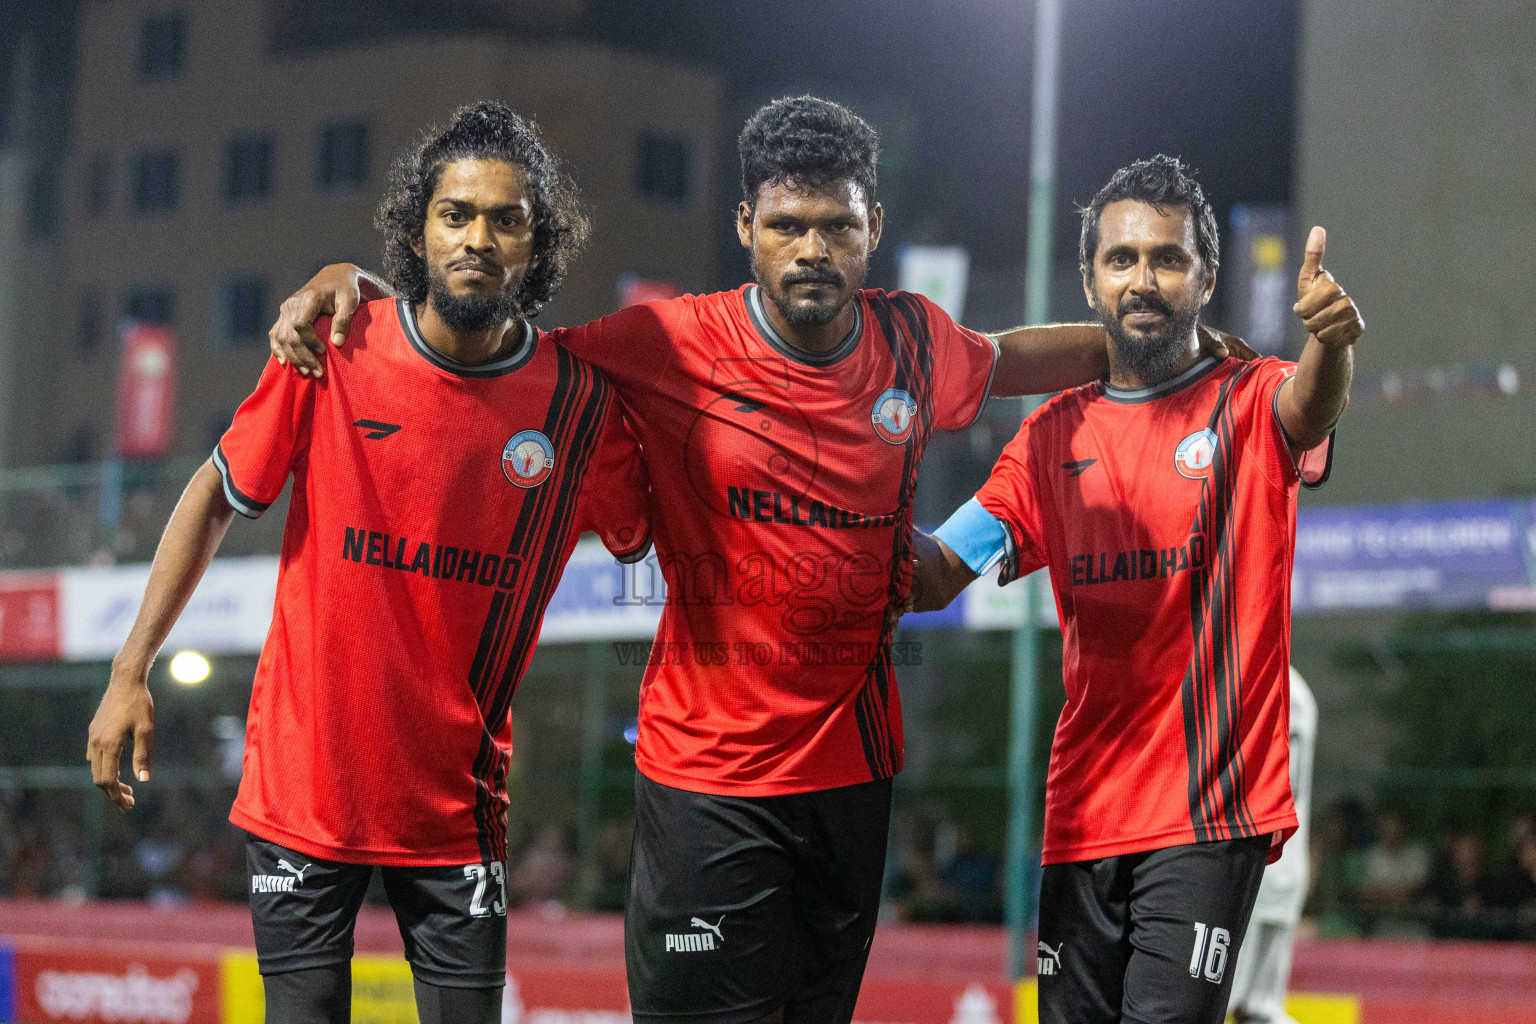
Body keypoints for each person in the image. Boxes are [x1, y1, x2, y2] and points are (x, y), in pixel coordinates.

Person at [267, 98, 1249, 1024]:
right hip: (709, 783)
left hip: (853, 778)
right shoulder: (665, 340)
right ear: (747, 223)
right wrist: (359, 288)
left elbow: (1013, 357)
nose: (812, 249)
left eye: (837, 225)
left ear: (871, 227)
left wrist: (1180, 344)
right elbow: (494, 342)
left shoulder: (913, 340)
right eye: (788, 225)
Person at [86, 102, 651, 1024]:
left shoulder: (581, 407)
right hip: (306, 792)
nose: (477, 237)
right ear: (416, 230)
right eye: (455, 213)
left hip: (458, 809)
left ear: (537, 245)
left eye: (506, 219)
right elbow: (216, 494)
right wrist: (127, 670)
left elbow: (651, 532)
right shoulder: (335, 346)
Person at [906, 155, 1363, 1024]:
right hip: (1081, 814)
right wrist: (841, 513)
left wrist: (1330, 341)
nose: (1142, 278)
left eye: (1167, 257)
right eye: (1121, 259)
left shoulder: (1250, 398)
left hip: (1206, 812)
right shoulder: (1049, 440)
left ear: (1208, 278)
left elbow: (1311, 408)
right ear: (1089, 277)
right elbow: (935, 574)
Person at [1228, 668, 1317, 1024]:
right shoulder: (1301, 690)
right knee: (1260, 1008)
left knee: (1215, 1003)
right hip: (1289, 864)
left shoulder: (1250, 675)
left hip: (1248, 863)